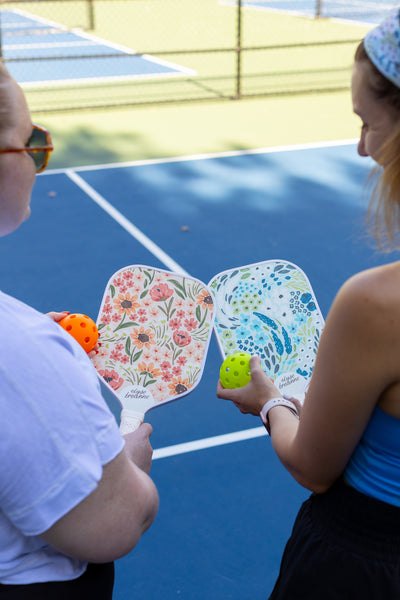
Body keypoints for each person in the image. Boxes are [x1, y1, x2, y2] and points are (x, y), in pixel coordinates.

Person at [217, 9, 400, 599]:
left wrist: (270, 401)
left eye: (368, 124)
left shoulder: (376, 305)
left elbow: (313, 467)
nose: (362, 147)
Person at [0, 63, 159, 598]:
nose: (37, 162)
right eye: (33, 142)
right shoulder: (16, 354)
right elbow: (115, 525)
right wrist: (129, 461)